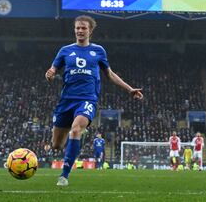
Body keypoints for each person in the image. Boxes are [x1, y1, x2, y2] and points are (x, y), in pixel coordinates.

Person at [45, 15, 143, 187]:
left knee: (75, 130)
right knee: (56, 146)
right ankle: (77, 134)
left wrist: (129, 89)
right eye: (77, 28)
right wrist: (50, 74)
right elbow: (53, 69)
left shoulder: (98, 51)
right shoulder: (65, 50)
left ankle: (64, 176)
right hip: (66, 101)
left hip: (87, 99)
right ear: (74, 29)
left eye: (83, 28)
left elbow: (110, 74)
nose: (80, 31)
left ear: (90, 30)